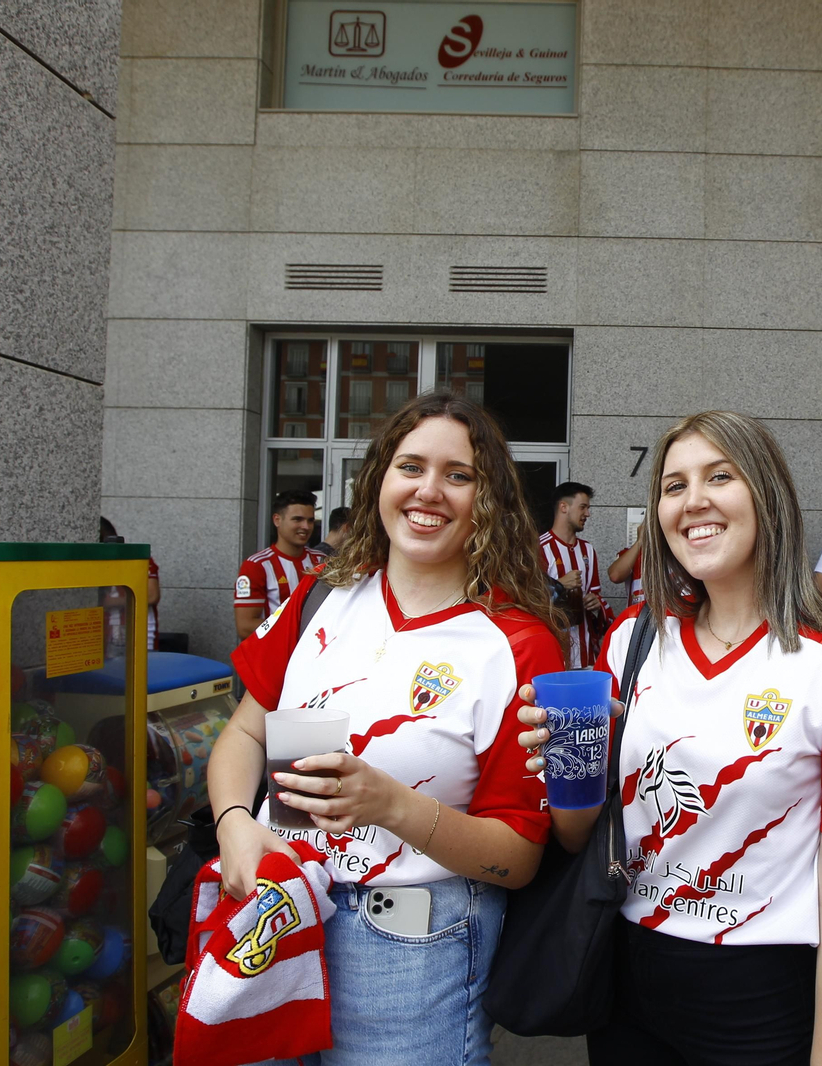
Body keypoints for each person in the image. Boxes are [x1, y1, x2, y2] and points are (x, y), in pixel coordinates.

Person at [516, 411, 822, 1066]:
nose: (693, 500)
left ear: (767, 494)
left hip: (759, 990)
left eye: (719, 477)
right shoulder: (632, 640)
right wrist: (563, 765)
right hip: (622, 971)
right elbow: (575, 835)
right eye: (673, 486)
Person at [210, 393, 567, 1066]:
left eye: (458, 475)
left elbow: (517, 859)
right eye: (411, 466)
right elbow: (244, 735)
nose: (429, 490)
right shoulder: (322, 596)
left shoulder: (517, 643)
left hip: (409, 952)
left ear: (487, 499)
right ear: (379, 480)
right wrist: (233, 821)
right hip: (275, 916)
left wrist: (391, 805)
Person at [234, 489, 327, 642]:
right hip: (276, 659)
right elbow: (245, 626)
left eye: (310, 520)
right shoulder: (257, 565)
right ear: (277, 520)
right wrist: (296, 628)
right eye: (297, 519)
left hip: (314, 656)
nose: (306, 526)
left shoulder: (322, 561)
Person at [540, 481, 611, 667]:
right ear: (564, 507)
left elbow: (597, 596)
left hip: (587, 656)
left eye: (588, 508)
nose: (587, 513)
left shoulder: (588, 549)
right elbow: (527, 600)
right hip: (553, 657)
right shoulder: (539, 548)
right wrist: (559, 584)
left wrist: (596, 604)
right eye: (583, 507)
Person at [99, 516, 161, 652]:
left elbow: (151, 596)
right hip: (102, 635)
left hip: (137, 636)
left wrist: (107, 602)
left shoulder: (137, 559)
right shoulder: (87, 564)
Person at [607, 520, 646, 608]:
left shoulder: (677, 552)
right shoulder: (632, 552)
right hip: (638, 617)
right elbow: (615, 575)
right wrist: (640, 541)